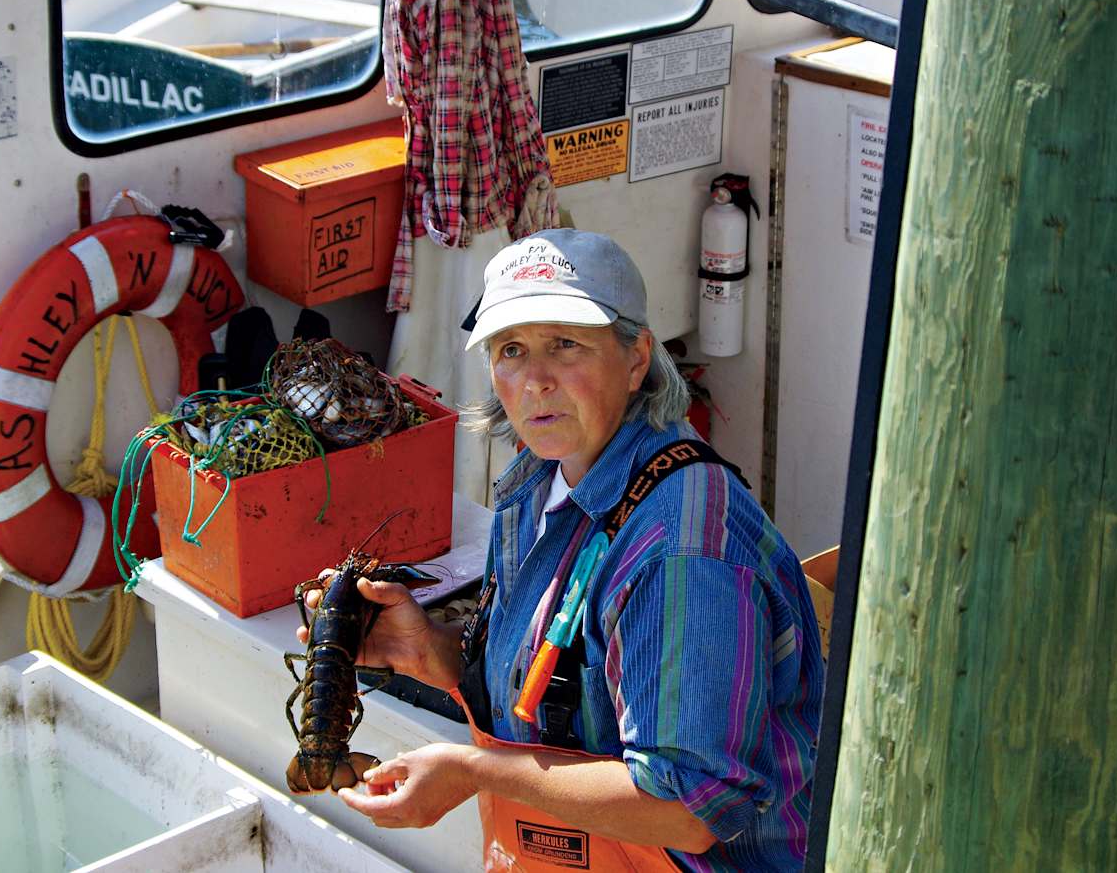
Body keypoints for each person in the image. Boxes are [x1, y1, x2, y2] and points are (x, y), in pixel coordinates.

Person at [300, 228, 825, 870]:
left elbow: (686, 810)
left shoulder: (682, 551)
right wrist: (431, 651)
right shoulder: (542, 481)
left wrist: (476, 771)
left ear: (637, 358)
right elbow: (559, 698)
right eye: (511, 350)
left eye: (565, 345)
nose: (535, 381)